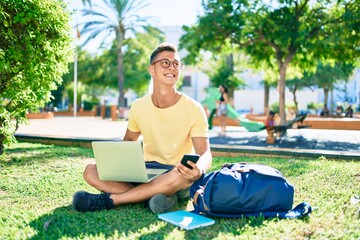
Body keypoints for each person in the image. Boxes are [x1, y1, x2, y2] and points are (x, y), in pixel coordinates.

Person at [72, 42, 212, 213]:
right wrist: (118, 166)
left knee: (177, 175)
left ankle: (112, 200)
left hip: (177, 174)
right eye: (165, 63)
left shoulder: (194, 108)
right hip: (147, 172)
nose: (172, 67)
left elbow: (205, 152)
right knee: (91, 171)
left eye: (176, 64)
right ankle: (154, 197)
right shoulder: (138, 106)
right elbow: (129, 140)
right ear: (151, 69)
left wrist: (199, 170)